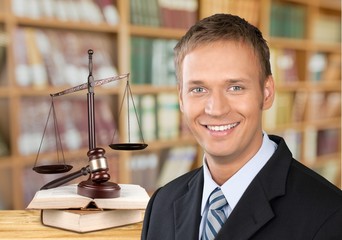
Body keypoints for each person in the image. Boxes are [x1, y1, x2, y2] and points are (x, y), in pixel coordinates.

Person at [141, 13, 342, 240]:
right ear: (181, 99)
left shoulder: (330, 216)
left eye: (235, 87)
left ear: (266, 93)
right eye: (198, 89)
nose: (216, 109)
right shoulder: (161, 204)